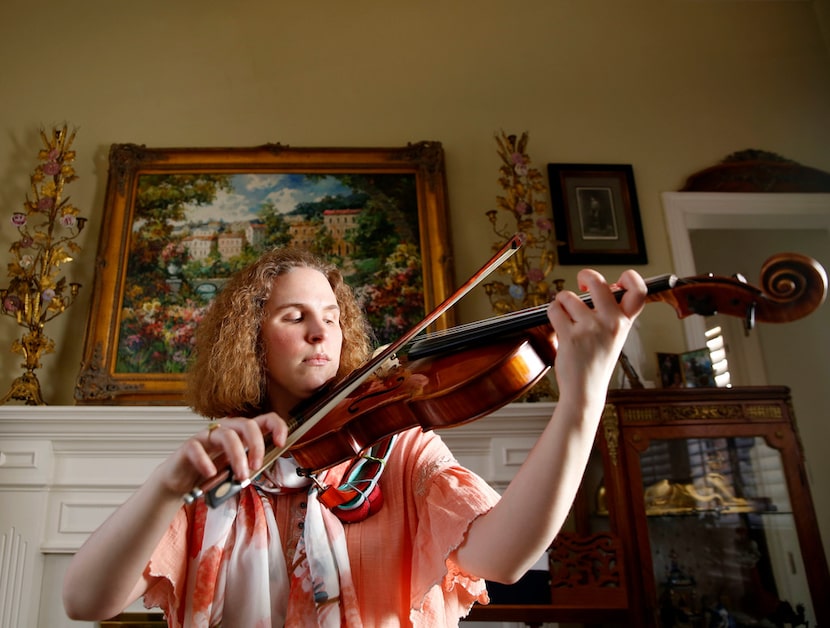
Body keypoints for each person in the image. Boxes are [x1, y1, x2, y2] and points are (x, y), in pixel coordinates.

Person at [62, 246, 646, 627]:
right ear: (250, 339)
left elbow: (507, 557)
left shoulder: (400, 447)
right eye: (295, 317)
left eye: (333, 317)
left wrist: (582, 398)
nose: (322, 331)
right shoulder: (220, 466)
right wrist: (167, 488)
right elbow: (83, 601)